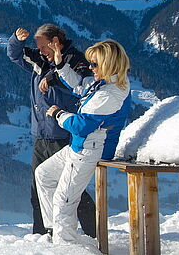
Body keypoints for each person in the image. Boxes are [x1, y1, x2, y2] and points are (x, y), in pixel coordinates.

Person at [36, 39, 131, 244]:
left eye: (95, 64)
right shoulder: (103, 83)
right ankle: (55, 230)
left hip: (91, 149)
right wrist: (61, 65)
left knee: (65, 200)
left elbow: (81, 125)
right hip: (81, 144)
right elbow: (80, 85)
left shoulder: (111, 93)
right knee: (43, 174)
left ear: (109, 64)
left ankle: (66, 245)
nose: (90, 67)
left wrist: (58, 114)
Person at [7, 24, 96, 236]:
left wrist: (52, 77)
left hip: (63, 135)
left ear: (56, 41)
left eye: (43, 46)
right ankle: (41, 234)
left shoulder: (75, 59)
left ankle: (94, 233)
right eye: (37, 47)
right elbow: (14, 55)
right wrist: (17, 40)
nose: (39, 51)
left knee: (71, 190)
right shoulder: (40, 60)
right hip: (41, 136)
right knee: (38, 188)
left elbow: (81, 84)